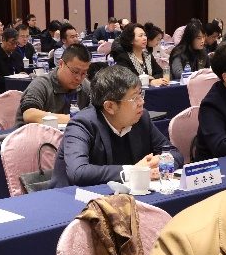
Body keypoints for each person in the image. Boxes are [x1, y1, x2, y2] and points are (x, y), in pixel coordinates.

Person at [51, 65, 181, 188]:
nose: (142, 102)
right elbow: (79, 172)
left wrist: (161, 163)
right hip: (76, 199)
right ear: (109, 106)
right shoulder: (82, 125)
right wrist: (133, 171)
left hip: (125, 195)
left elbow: (175, 153)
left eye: (140, 94)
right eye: (134, 98)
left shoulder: (141, 118)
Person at [15, 44, 92, 128]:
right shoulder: (41, 84)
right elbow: (29, 114)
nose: (79, 78)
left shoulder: (85, 86)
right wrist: (71, 119)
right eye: (75, 72)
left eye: (83, 73)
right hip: (32, 134)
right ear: (61, 64)